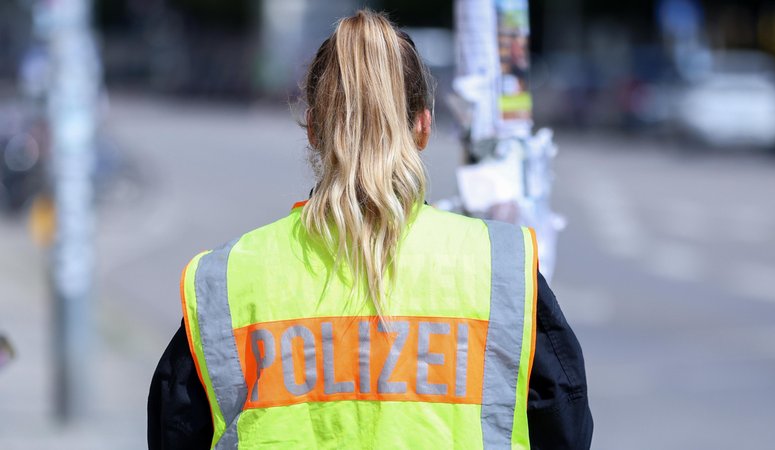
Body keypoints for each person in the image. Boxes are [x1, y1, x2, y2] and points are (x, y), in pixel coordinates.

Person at [148, 10, 592, 450]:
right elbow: (566, 431)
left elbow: (174, 430)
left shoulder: (227, 281)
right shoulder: (500, 269)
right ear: (423, 127)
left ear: (314, 130)